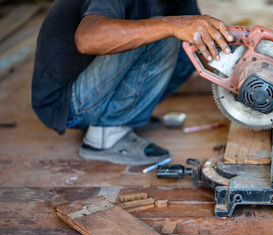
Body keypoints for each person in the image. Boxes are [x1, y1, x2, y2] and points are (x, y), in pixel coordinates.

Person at [32, 0, 233, 166]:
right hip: (66, 102)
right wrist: (173, 25)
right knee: (163, 32)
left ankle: (123, 113)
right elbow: (86, 39)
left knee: (192, 47)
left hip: (91, 86)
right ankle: (105, 136)